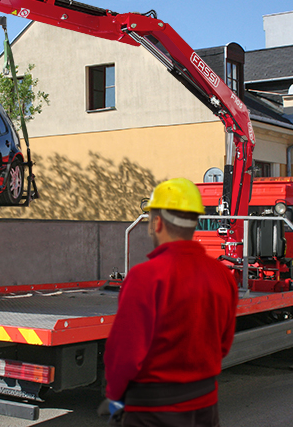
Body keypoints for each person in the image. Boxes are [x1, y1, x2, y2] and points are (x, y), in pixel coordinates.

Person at [104, 178, 239, 427]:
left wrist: (115, 395)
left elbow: (125, 354)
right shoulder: (223, 275)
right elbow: (223, 344)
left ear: (157, 223)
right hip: (204, 406)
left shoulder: (145, 277)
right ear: (195, 222)